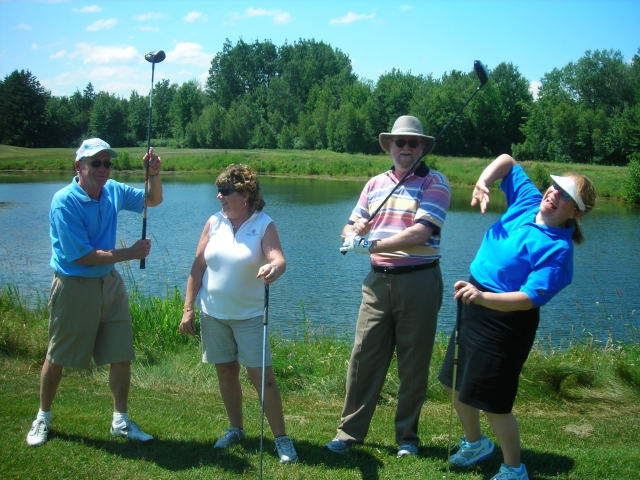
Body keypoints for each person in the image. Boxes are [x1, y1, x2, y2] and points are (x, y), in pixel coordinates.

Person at [438, 154, 596, 480]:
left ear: (577, 213)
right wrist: (483, 181)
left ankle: (514, 468)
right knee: (457, 385)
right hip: (474, 302)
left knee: (495, 404)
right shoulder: (528, 202)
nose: (554, 194)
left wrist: (483, 297)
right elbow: (507, 161)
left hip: (505, 322)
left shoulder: (559, 251)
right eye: (555, 187)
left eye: (567, 196)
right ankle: (475, 443)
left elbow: (527, 299)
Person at [326, 115, 451, 457]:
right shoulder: (374, 184)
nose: (406, 148)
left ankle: (407, 439)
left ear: (422, 147)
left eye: (413, 143)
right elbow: (348, 228)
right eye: (400, 142)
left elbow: (420, 234)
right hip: (377, 283)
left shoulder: (435, 182)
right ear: (390, 146)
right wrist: (355, 231)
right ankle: (348, 434)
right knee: (363, 357)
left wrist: (370, 244)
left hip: (420, 281)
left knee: (413, 363)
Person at [26, 138, 163, 447]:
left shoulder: (112, 189)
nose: (103, 169)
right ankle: (43, 417)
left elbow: (152, 200)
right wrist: (130, 253)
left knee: (121, 352)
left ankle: (120, 420)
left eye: (107, 163)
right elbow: (81, 255)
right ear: (79, 166)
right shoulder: (65, 201)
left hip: (109, 282)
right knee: (57, 354)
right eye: (96, 163)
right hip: (74, 285)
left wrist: (153, 174)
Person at [179, 163, 298, 464]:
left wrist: (274, 268)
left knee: (262, 378)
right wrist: (188, 308)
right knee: (225, 371)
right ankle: (236, 428)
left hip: (250, 316)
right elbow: (197, 267)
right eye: (218, 192)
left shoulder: (263, 223)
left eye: (225, 192)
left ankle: (282, 439)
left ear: (244, 194)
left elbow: (278, 259)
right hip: (213, 314)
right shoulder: (213, 223)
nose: (219, 197)